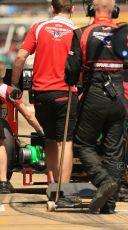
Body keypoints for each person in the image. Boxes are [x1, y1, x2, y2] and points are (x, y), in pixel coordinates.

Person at [65, 0, 128, 214]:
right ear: (115, 11)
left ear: (91, 10)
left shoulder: (82, 33)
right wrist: (116, 76)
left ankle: (103, 181)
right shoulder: (124, 35)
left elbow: (70, 74)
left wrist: (87, 77)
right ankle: (109, 204)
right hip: (118, 96)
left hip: (95, 93)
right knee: (114, 150)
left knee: (82, 144)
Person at [11, 0, 77, 187]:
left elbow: (20, 57)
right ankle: (63, 190)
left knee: (49, 139)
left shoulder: (39, 27)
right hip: (66, 93)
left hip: (41, 94)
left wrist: (16, 85)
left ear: (52, 8)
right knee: (65, 142)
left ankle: (51, 185)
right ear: (72, 9)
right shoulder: (77, 31)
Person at [0, 61, 43, 194]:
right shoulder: (5, 89)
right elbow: (28, 115)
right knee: (1, 143)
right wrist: (40, 131)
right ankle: (2, 181)